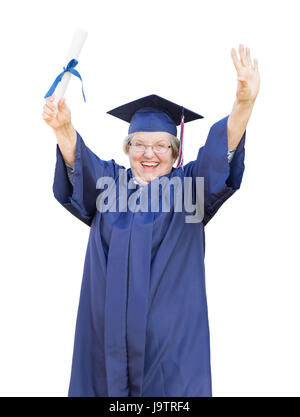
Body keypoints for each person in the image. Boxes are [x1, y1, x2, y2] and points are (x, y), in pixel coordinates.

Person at [42, 44, 260, 397]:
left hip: (169, 356)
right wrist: (64, 129)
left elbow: (220, 156)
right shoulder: (108, 186)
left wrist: (243, 106)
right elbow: (78, 164)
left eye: (161, 145)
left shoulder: (190, 191)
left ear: (175, 152)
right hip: (104, 350)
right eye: (139, 144)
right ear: (127, 149)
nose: (149, 154)